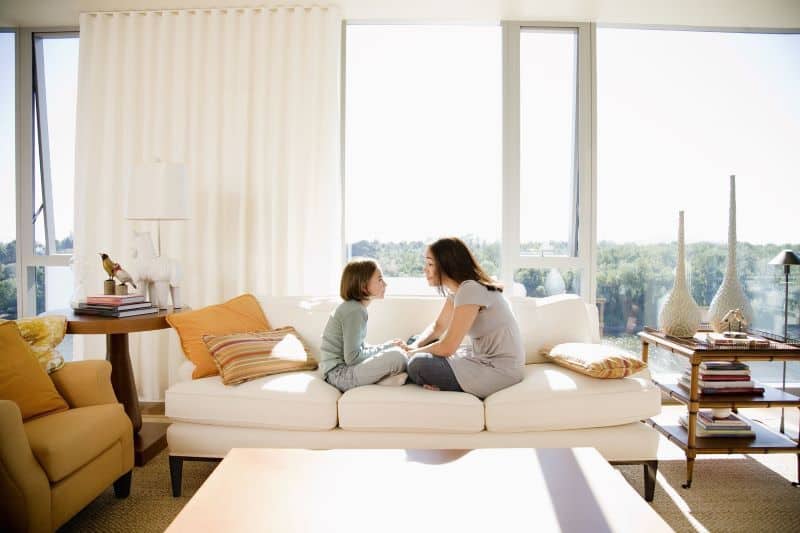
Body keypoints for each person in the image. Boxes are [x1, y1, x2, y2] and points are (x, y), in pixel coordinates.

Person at [406, 237, 524, 399]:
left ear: (447, 264)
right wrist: (415, 346)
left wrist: (412, 353)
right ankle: (405, 365)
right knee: (415, 340)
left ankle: (401, 369)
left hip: (499, 370)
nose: (425, 269)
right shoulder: (459, 291)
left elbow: (448, 348)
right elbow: (438, 326)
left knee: (417, 364)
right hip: (480, 357)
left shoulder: (470, 289)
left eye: (430, 264)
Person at [319, 258, 409, 392]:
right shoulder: (354, 310)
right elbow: (353, 358)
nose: (385, 284)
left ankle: (382, 379)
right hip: (339, 375)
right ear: (363, 286)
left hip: (339, 372)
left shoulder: (353, 308)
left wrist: (388, 345)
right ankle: (382, 379)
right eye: (379, 279)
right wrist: (390, 347)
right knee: (398, 356)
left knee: (396, 352)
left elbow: (358, 349)